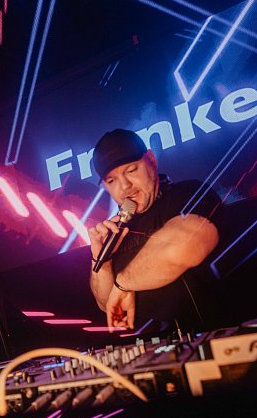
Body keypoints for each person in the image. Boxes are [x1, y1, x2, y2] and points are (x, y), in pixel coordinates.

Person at [87, 128, 222, 333]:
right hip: (153, 346)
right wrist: (102, 262)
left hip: (211, 335)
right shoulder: (116, 228)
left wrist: (123, 283)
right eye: (111, 180)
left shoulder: (188, 192)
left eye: (131, 170)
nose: (124, 186)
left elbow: (183, 246)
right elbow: (107, 304)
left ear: (151, 160)